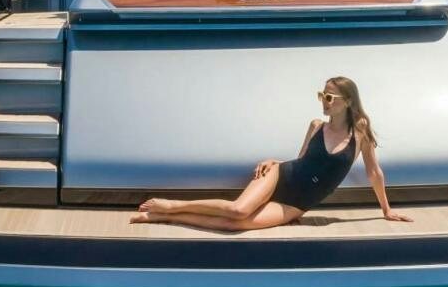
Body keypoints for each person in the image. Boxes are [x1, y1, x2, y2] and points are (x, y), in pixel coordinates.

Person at [131, 76, 413, 230]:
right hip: (281, 175)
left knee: (237, 226)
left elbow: (374, 172)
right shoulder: (316, 126)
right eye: (321, 96)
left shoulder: (361, 130)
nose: (323, 102)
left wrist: (386, 210)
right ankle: (170, 206)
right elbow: (301, 160)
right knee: (237, 209)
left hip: (298, 203)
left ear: (347, 102)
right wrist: (274, 162)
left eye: (329, 98)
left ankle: (164, 218)